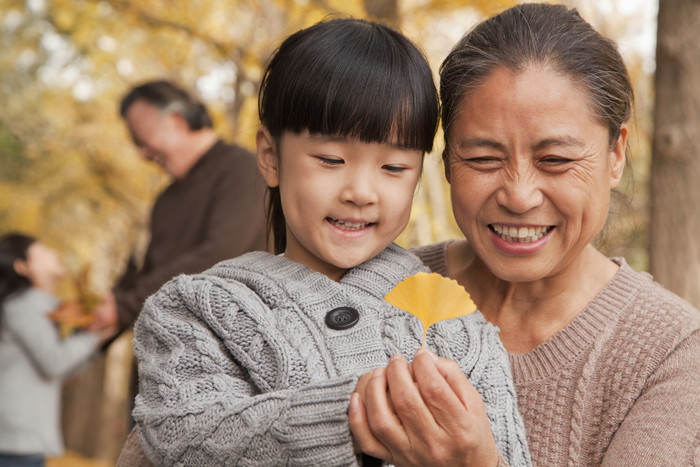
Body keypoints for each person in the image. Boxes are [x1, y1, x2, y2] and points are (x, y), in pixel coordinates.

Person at [117, 18, 531, 467]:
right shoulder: (198, 311)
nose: (361, 192)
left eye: (393, 168)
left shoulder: (457, 325)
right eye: (331, 159)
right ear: (271, 157)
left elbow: (507, 452)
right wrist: (351, 414)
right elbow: (184, 438)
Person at [397, 3, 700, 466]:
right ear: (447, 160)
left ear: (615, 154)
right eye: (483, 159)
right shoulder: (382, 287)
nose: (519, 196)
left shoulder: (669, 352)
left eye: (555, 160)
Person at [0, 234, 117, 467]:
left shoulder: (37, 305)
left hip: (19, 437)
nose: (51, 252)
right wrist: (95, 334)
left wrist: (96, 339)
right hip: (15, 440)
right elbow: (54, 361)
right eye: (41, 249)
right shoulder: (25, 304)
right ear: (23, 267)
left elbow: (62, 372)